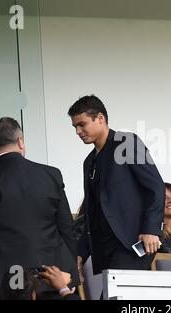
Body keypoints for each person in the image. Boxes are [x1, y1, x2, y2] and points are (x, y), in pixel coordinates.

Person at [68, 95, 164, 279]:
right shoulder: (89, 162)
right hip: (105, 248)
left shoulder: (125, 142)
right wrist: (81, 251)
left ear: (101, 118)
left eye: (82, 124)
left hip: (132, 243)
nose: (78, 131)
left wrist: (152, 229)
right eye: (75, 127)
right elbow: (92, 212)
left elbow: (155, 186)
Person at [0, 118, 78, 297]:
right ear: (20, 142)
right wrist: (72, 272)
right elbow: (66, 227)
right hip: (52, 276)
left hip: (5, 281)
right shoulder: (51, 175)